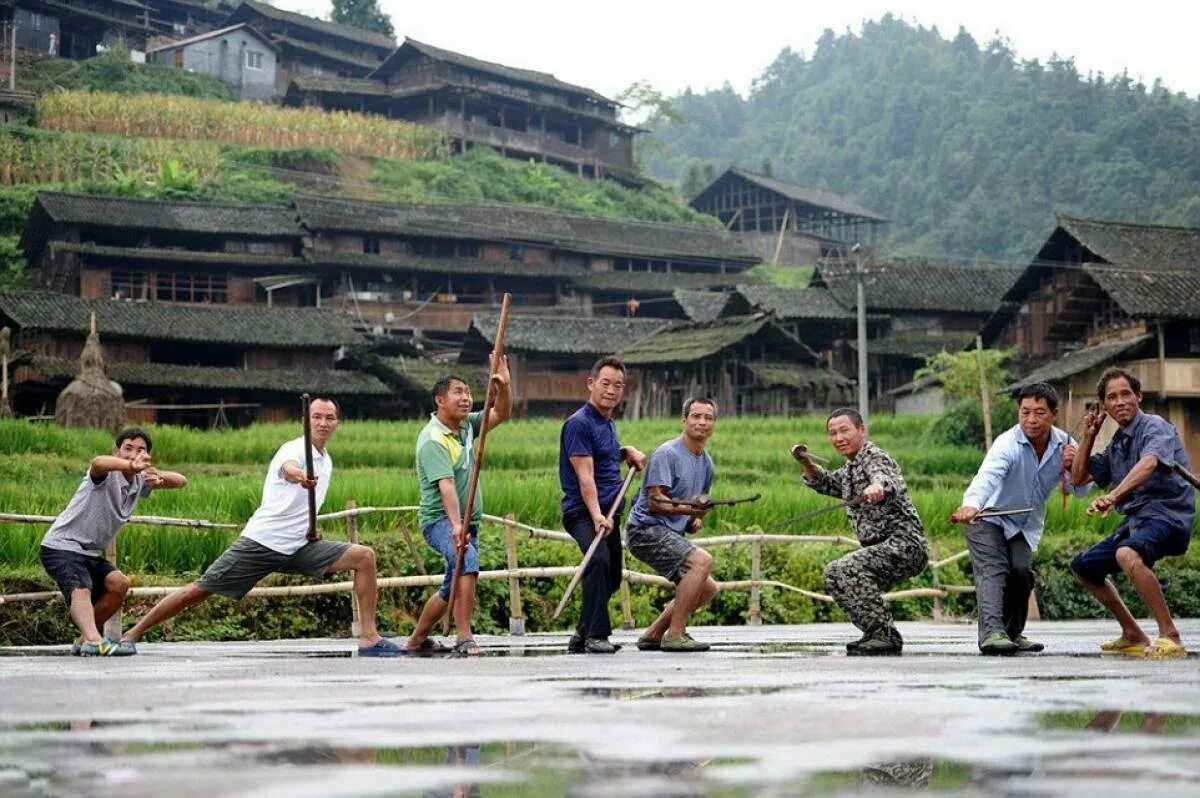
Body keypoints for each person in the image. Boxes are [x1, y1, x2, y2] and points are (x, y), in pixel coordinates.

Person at [121, 396, 399, 656]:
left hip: (299, 546)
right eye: (316, 417)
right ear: (306, 420)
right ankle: (131, 636)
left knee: (364, 557)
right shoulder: (293, 449)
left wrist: (312, 529)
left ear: (337, 423)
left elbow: (302, 505)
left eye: (329, 418)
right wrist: (301, 476)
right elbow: (288, 470)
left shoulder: (326, 461)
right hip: (262, 542)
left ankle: (369, 637)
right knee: (198, 591)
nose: (323, 423)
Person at [950, 382, 1088, 654]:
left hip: (1025, 522)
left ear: (1054, 414)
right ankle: (991, 634)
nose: (1031, 420)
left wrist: (1074, 466)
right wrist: (971, 505)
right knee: (994, 569)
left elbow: (1080, 490)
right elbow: (988, 477)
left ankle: (1013, 633)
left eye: (1039, 413)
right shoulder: (1008, 443)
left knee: (1022, 572)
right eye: (1025, 412)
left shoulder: (1067, 444)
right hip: (986, 516)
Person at [1069, 367, 1194, 658]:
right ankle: (1133, 633)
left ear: (1138, 396)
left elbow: (1150, 463)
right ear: (1104, 406)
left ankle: (1170, 635)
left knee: (1126, 554)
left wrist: (1112, 496)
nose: (1120, 401)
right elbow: (1078, 479)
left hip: (1168, 516)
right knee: (1083, 567)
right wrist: (1089, 435)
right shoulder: (1117, 444)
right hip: (1137, 523)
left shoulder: (1155, 426)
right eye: (1111, 397)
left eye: (1126, 393)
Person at [793, 407, 928, 655]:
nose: (839, 438)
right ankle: (875, 632)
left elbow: (885, 478)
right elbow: (825, 483)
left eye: (844, 430)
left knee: (848, 567)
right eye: (833, 433)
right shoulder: (850, 468)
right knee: (834, 574)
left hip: (905, 545)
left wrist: (878, 487)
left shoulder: (875, 457)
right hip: (881, 549)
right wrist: (806, 462)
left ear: (862, 430)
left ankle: (883, 634)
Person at [40, 428, 187, 656]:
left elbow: (181, 481)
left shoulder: (139, 481)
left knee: (119, 584)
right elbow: (97, 462)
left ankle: (84, 639)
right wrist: (130, 466)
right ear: (116, 451)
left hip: (89, 553)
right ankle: (93, 640)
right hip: (62, 545)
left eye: (140, 450)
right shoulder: (105, 474)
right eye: (127, 448)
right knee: (81, 587)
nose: (133, 454)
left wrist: (159, 477)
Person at [406, 360, 511, 658]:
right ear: (440, 400)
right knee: (467, 559)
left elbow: (501, 413)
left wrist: (504, 386)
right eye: (458, 392)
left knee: (450, 587)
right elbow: (447, 486)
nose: (466, 398)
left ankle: (416, 639)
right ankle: (465, 635)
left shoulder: (466, 426)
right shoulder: (432, 439)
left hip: (467, 521)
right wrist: (456, 526)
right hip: (440, 521)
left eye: (468, 392)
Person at [559, 356, 646, 654]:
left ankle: (581, 634)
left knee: (611, 576)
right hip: (584, 513)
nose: (612, 390)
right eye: (606, 383)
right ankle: (597, 636)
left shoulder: (608, 423)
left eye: (618, 385)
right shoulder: (578, 424)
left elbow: (604, 456)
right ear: (591, 384)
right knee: (597, 562)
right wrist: (596, 515)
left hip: (610, 513)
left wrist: (626, 451)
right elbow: (585, 476)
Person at [625, 398, 719, 653]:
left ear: (714, 424)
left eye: (708, 418)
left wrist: (695, 519)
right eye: (696, 416)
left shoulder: (707, 464)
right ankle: (675, 634)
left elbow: (694, 507)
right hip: (645, 529)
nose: (701, 422)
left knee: (709, 588)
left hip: (668, 533)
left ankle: (654, 634)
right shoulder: (668, 453)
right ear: (684, 420)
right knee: (701, 561)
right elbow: (657, 502)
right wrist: (692, 509)